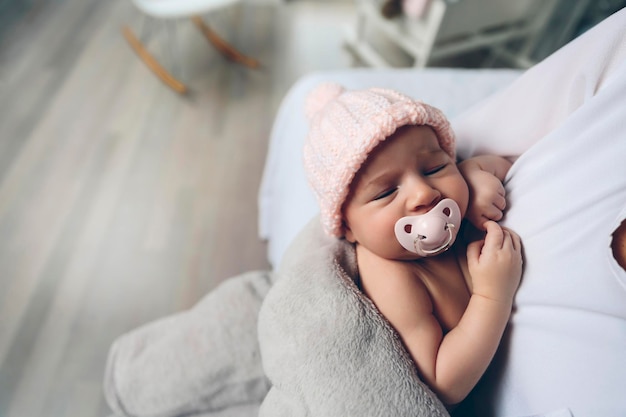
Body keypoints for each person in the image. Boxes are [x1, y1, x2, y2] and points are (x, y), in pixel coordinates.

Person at [303, 83, 523, 407]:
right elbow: (444, 382)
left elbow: (516, 164)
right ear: (347, 227)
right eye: (385, 193)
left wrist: (474, 178)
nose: (423, 193)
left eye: (434, 168)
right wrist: (493, 295)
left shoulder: (459, 193)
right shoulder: (390, 275)